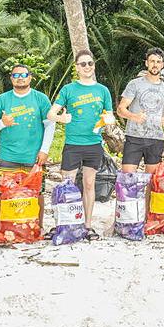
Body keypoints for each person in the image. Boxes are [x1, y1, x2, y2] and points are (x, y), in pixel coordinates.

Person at [47, 50, 115, 241]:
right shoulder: (69, 89)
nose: (87, 67)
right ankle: (65, 224)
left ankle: (87, 225)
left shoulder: (103, 90)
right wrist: (62, 118)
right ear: (76, 67)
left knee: (89, 184)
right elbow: (51, 114)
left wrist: (108, 120)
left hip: (93, 144)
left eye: (90, 64)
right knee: (66, 185)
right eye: (83, 64)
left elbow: (109, 115)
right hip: (72, 144)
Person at [0, 64, 54, 233]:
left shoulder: (41, 99)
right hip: (8, 155)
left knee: (37, 192)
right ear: (11, 79)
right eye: (16, 75)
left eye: (23, 75)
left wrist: (44, 150)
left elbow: (50, 125)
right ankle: (2, 229)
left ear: (30, 77)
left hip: (34, 156)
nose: (20, 78)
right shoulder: (2, 99)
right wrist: (3, 123)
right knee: (4, 192)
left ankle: (38, 226)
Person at [116, 47, 164, 174]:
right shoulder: (135, 84)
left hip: (156, 138)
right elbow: (120, 109)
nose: (155, 65)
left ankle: (147, 196)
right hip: (134, 136)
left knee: (152, 180)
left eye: (158, 62)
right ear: (146, 63)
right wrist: (134, 117)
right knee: (127, 177)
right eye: (152, 61)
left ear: (162, 65)